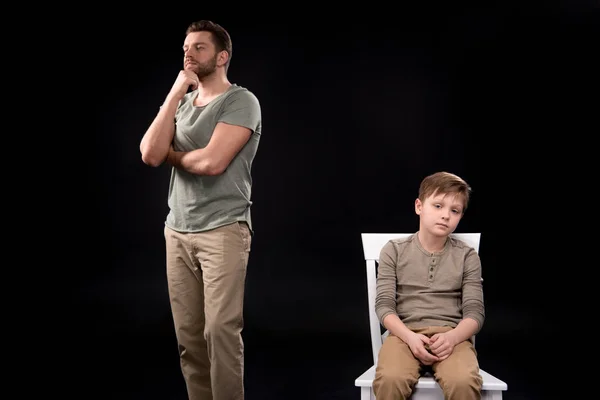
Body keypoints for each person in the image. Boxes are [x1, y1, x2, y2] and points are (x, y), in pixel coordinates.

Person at [139, 19, 262, 400]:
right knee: (189, 337)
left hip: (223, 229)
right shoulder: (183, 103)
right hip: (177, 229)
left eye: (199, 48)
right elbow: (148, 153)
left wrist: (173, 155)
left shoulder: (241, 101)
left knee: (220, 332)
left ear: (222, 56)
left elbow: (212, 163)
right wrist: (176, 92)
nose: (189, 54)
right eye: (185, 48)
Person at [373, 171, 485, 400]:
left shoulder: (467, 256)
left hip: (451, 337)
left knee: (463, 381)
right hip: (404, 335)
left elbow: (475, 312)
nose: (445, 215)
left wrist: (453, 338)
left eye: (454, 211)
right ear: (419, 206)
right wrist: (410, 337)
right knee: (391, 379)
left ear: (460, 217)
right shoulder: (393, 250)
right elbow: (384, 306)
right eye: (437, 205)